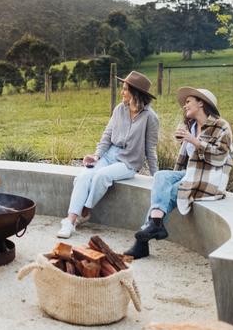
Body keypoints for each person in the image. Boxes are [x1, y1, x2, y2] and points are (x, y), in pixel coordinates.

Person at [124, 87, 233, 259]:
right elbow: (184, 160)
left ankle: (142, 242)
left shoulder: (221, 126)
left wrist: (195, 142)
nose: (185, 105)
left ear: (201, 103)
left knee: (172, 191)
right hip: (189, 174)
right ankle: (156, 224)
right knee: (161, 177)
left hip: (209, 181)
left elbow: (220, 157)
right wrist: (186, 142)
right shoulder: (191, 126)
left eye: (188, 101)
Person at [57, 71, 159, 238]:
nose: (122, 92)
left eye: (125, 89)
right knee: (84, 176)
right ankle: (70, 221)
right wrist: (97, 156)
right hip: (109, 155)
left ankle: (85, 211)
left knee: (101, 176)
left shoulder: (151, 118)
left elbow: (151, 149)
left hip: (129, 162)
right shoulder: (119, 109)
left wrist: (156, 177)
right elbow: (107, 135)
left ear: (135, 93)